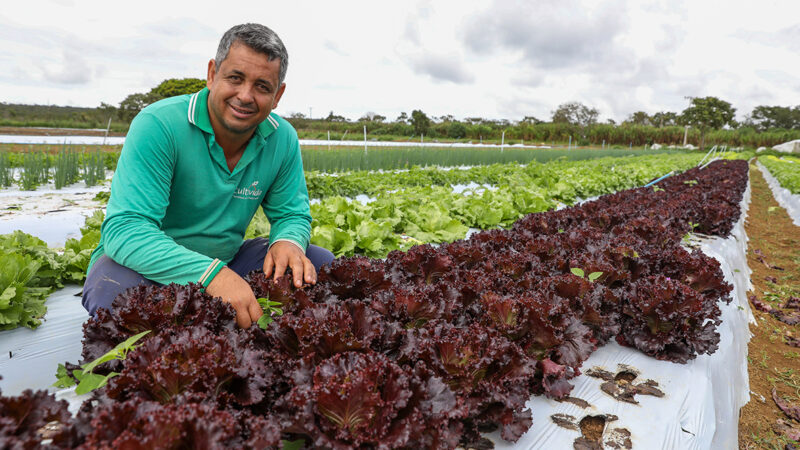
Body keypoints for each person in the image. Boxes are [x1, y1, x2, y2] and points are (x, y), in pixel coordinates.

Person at [82, 23, 334, 328]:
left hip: (229, 262)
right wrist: (210, 276)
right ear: (213, 74)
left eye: (262, 86)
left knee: (319, 265)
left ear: (278, 95)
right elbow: (126, 229)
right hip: (145, 269)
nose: (245, 95)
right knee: (112, 294)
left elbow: (292, 213)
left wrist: (288, 241)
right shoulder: (159, 124)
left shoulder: (282, 138)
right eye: (235, 78)